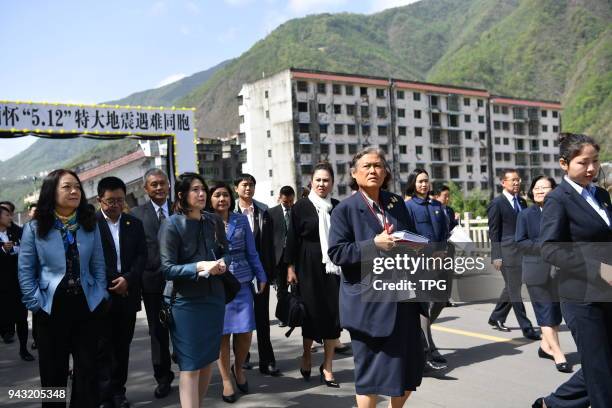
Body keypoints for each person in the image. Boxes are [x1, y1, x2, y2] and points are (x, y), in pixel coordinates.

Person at [328, 148, 424, 408]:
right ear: (354, 172)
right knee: (370, 378)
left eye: (379, 166)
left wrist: (416, 245)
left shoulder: (395, 202)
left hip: (401, 302)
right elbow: (337, 252)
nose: (373, 171)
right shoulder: (344, 210)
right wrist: (373, 244)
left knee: (406, 375)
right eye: (367, 166)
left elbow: (412, 237)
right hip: (367, 307)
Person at [534, 133, 612, 408]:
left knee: (600, 367)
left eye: (595, 161)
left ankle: (551, 404)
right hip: (582, 297)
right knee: (601, 374)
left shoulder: (600, 194)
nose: (591, 169)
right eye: (583, 162)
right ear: (564, 164)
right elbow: (550, 248)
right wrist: (598, 269)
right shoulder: (559, 199)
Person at [18, 169, 108, 407]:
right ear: (51, 191)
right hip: (50, 308)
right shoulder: (35, 228)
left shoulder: (89, 223)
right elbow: (26, 271)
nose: (74, 191)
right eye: (67, 187)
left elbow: (98, 263)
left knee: (87, 372)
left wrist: (100, 294)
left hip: (86, 305)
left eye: (77, 186)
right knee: (52, 376)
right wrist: (35, 303)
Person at [158, 172, 228, 408]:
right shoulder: (171, 225)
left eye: (203, 189)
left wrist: (221, 264)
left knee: (207, 359)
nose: (201, 194)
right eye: (195, 189)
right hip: (185, 303)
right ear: (181, 195)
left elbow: (224, 251)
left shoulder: (214, 220)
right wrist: (199, 266)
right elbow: (167, 269)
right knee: (190, 365)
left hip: (214, 299)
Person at [207, 181, 267, 403]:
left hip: (241, 283)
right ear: (210, 199)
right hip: (217, 284)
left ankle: (238, 367)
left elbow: (252, 251)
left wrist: (261, 275)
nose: (222, 199)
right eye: (217, 195)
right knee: (222, 335)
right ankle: (225, 380)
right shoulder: (204, 222)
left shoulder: (240, 220)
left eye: (224, 195)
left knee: (245, 333)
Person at [285, 162, 341, 387]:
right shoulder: (301, 207)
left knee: (332, 316)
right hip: (307, 266)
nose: (322, 184)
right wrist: (290, 268)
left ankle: (328, 366)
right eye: (318, 180)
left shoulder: (337, 207)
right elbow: (291, 239)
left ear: (332, 184)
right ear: (311, 182)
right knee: (309, 314)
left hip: (333, 268)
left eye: (326, 180)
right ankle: (307, 355)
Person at [95, 177, 147, 408]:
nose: (115, 205)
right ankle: (103, 395)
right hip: (101, 296)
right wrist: (113, 279)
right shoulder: (90, 224)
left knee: (122, 347)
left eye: (119, 200)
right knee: (102, 347)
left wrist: (128, 278)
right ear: (100, 200)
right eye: (109, 201)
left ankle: (119, 392)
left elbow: (141, 256)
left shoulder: (133, 223)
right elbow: (90, 259)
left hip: (128, 294)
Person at [515, 176, 571, 374]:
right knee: (544, 312)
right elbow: (520, 242)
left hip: (559, 269)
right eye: (536, 188)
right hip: (536, 269)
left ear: (553, 190)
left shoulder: (561, 212)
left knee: (555, 313)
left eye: (544, 187)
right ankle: (558, 354)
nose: (539, 191)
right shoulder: (525, 215)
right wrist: (544, 247)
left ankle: (545, 347)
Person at [130, 168, 175, 398]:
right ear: (146, 188)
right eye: (153, 184)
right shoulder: (136, 215)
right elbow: (136, 251)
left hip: (182, 282)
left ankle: (190, 370)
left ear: (168, 185)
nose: (159, 188)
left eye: (162, 183)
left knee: (184, 328)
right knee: (158, 333)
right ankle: (163, 377)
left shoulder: (180, 209)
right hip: (152, 284)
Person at [233, 174, 279, 376]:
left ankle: (267, 360)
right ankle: (242, 359)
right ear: (236, 188)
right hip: (236, 275)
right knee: (239, 319)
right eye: (244, 185)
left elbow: (270, 244)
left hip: (260, 273)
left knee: (262, 318)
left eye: (251, 185)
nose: (248, 189)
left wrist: (269, 273)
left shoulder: (263, 210)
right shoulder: (229, 211)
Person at [404, 169, 449, 370]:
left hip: (441, 261)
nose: (424, 184)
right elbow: (408, 236)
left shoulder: (437, 205)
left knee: (440, 300)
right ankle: (428, 350)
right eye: (420, 181)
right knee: (423, 306)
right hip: (420, 263)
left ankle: (426, 338)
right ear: (413, 183)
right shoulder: (408, 207)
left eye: (426, 181)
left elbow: (445, 232)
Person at [487, 169, 540, 340]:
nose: (517, 183)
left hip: (522, 252)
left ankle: (496, 317)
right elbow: (494, 232)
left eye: (518, 180)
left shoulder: (522, 202)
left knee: (512, 287)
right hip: (506, 253)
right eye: (513, 180)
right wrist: (496, 255)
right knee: (515, 290)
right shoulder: (497, 203)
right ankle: (527, 327)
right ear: (503, 182)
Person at [0, 205, 34, 361]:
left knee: (21, 317)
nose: (10, 218)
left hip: (17, 282)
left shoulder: (17, 232)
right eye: (6, 215)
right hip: (2, 286)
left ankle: (23, 349)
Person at [268, 186, 296, 306]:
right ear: (279, 198)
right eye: (285, 202)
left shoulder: (298, 211)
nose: (289, 204)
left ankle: (297, 313)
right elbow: (268, 239)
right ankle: (283, 315)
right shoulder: (271, 213)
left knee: (296, 287)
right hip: (279, 257)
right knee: (281, 288)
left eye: (291, 201)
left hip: (295, 255)